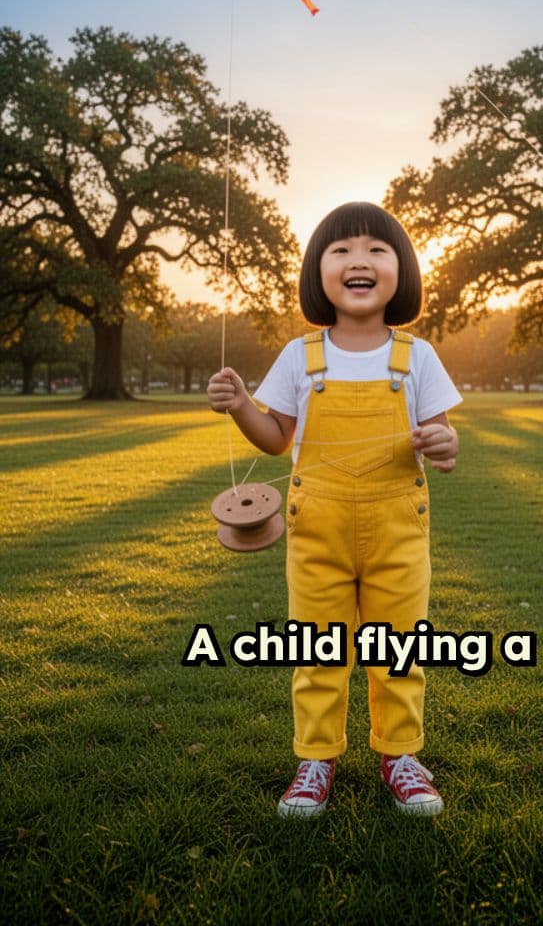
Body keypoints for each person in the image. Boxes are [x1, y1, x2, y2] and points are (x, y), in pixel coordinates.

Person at [207, 202, 461, 817]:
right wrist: (241, 406)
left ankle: (400, 754)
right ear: (317, 272)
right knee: (316, 646)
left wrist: (444, 443)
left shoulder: (417, 356)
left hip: (398, 531)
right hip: (316, 530)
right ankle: (316, 757)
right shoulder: (301, 355)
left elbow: (443, 436)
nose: (358, 261)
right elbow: (276, 439)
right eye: (341, 250)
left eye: (377, 249)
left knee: (400, 645)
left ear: (402, 269)